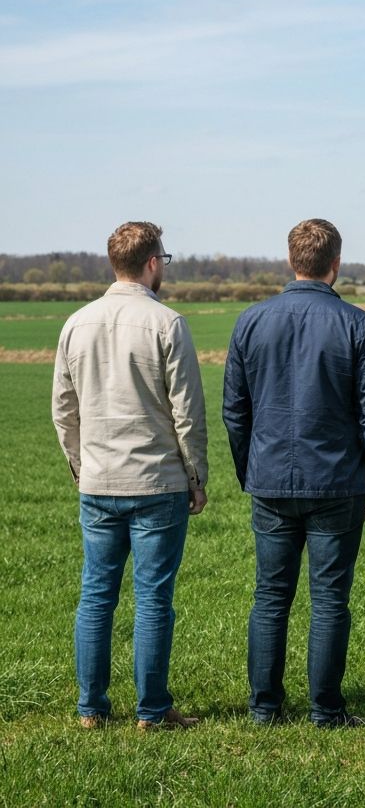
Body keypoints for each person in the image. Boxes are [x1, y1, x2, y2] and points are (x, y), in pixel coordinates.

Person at [223, 218, 365, 728]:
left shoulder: (250, 321)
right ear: (335, 264)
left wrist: (248, 470)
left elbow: (235, 410)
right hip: (338, 480)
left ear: (291, 260)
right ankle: (326, 709)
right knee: (329, 599)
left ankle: (264, 708)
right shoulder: (357, 323)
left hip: (271, 477)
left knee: (270, 595)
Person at [52, 221, 208, 731]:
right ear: (153, 263)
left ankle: (91, 709)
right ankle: (152, 709)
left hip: (98, 481)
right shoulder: (168, 323)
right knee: (153, 597)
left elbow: (63, 409)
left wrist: (80, 464)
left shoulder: (76, 323)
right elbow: (186, 411)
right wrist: (196, 474)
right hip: (157, 482)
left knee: (96, 593)